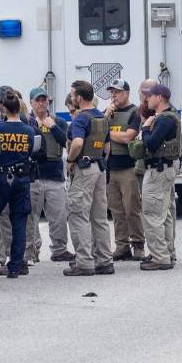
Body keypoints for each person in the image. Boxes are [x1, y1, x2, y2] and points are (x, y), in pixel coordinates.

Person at [63, 80, 114, 276]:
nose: (72, 97)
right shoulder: (101, 117)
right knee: (99, 217)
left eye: (73, 94)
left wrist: (70, 159)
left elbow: (77, 142)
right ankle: (104, 260)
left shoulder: (80, 119)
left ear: (79, 98)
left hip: (84, 168)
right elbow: (107, 148)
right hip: (100, 167)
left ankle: (84, 262)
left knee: (78, 215)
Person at [0, 90, 36, 279]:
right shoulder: (28, 130)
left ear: (4, 109)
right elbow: (31, 151)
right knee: (19, 223)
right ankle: (15, 267)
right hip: (21, 180)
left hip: (1, 179)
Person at [26, 87, 74, 263]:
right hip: (34, 176)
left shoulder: (59, 122)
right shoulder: (27, 122)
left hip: (54, 175)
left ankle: (59, 249)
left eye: (44, 100)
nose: (41, 103)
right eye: (37, 100)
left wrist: (53, 127)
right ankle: (31, 251)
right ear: (31, 103)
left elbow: (67, 143)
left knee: (59, 217)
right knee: (31, 218)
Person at [139, 83, 182, 271]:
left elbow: (152, 144)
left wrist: (146, 128)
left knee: (152, 214)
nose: (147, 99)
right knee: (164, 214)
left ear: (160, 97)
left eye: (150, 96)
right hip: (164, 170)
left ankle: (160, 257)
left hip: (158, 171)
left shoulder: (164, 120)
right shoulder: (169, 116)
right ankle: (167, 252)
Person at [104, 79, 145, 262]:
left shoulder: (134, 112)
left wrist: (108, 133)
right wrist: (105, 117)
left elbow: (129, 137)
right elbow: (96, 133)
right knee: (116, 211)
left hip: (128, 167)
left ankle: (138, 244)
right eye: (112, 92)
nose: (114, 95)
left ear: (127, 93)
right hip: (110, 168)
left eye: (118, 92)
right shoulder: (108, 114)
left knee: (132, 209)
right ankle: (121, 246)